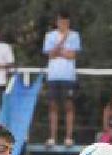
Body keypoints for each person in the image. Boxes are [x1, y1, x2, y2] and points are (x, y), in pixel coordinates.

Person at [42, 10, 81, 147]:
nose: (62, 24)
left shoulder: (75, 35)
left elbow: (72, 55)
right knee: (53, 106)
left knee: (69, 106)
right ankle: (52, 137)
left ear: (68, 22)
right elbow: (50, 54)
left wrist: (59, 51)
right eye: (60, 21)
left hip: (68, 76)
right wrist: (62, 43)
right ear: (57, 21)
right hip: (53, 76)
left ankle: (68, 137)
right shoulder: (50, 36)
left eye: (65, 21)